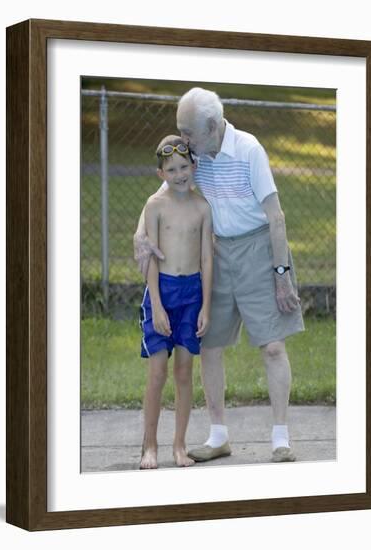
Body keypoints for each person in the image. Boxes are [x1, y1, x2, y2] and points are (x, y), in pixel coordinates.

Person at [134, 87, 304, 463]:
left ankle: (280, 437)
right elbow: (161, 192)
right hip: (215, 254)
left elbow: (276, 217)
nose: (183, 139)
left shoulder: (248, 150)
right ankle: (218, 436)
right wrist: (138, 234)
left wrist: (281, 273)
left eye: (188, 132)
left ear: (211, 126)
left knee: (273, 345)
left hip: (259, 249)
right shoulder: (195, 152)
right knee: (208, 344)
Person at [138, 135, 213, 469]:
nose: (180, 174)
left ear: (193, 166)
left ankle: (179, 445)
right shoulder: (155, 207)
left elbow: (207, 261)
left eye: (184, 167)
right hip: (162, 291)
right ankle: (148, 447)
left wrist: (206, 307)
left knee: (184, 373)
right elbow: (151, 257)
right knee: (158, 373)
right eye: (172, 169)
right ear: (161, 174)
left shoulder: (202, 208)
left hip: (192, 294)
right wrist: (155, 303)